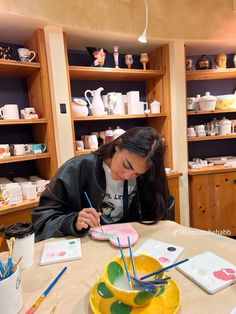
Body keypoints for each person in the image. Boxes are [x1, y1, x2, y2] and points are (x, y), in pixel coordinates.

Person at [32, 127, 174, 242]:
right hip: (88, 248)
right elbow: (42, 219)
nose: (126, 176)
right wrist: (73, 221)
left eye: (137, 174)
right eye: (126, 165)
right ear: (118, 145)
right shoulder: (77, 168)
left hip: (129, 245)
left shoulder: (147, 173)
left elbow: (164, 210)